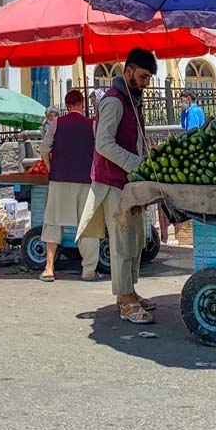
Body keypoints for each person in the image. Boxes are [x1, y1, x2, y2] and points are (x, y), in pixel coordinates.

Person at [77, 48, 158, 324]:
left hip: (129, 182)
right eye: (143, 76)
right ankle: (124, 299)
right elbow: (103, 143)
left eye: (149, 78)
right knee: (122, 241)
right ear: (129, 71)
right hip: (114, 182)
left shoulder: (132, 100)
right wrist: (136, 164)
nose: (146, 82)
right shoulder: (113, 101)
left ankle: (131, 292)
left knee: (136, 239)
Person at [38, 89, 99, 282]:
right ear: (82, 104)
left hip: (59, 180)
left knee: (54, 222)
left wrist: (51, 167)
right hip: (86, 181)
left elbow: (44, 149)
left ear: (66, 106)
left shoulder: (56, 123)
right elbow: (100, 149)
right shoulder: (92, 125)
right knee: (88, 225)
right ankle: (88, 270)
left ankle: (49, 268)